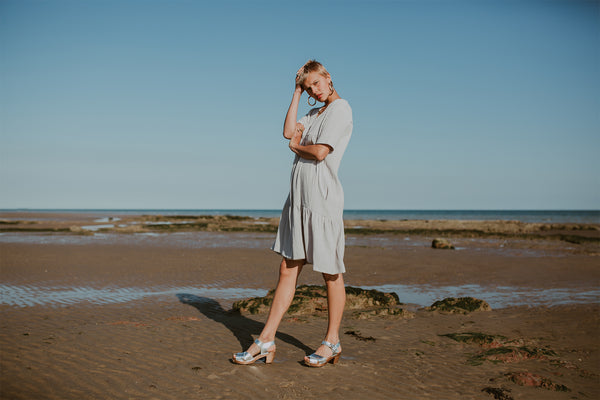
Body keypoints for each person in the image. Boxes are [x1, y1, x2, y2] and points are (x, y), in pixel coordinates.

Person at [232, 60, 353, 367]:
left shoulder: (341, 110)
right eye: (309, 85)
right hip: (298, 202)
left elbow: (320, 152)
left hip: (322, 203)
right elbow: (287, 131)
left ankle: (332, 342)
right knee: (288, 268)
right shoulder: (312, 114)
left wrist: (296, 147)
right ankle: (265, 340)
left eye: (317, 82)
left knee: (330, 272)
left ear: (328, 77)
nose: (316, 89)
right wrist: (296, 92)